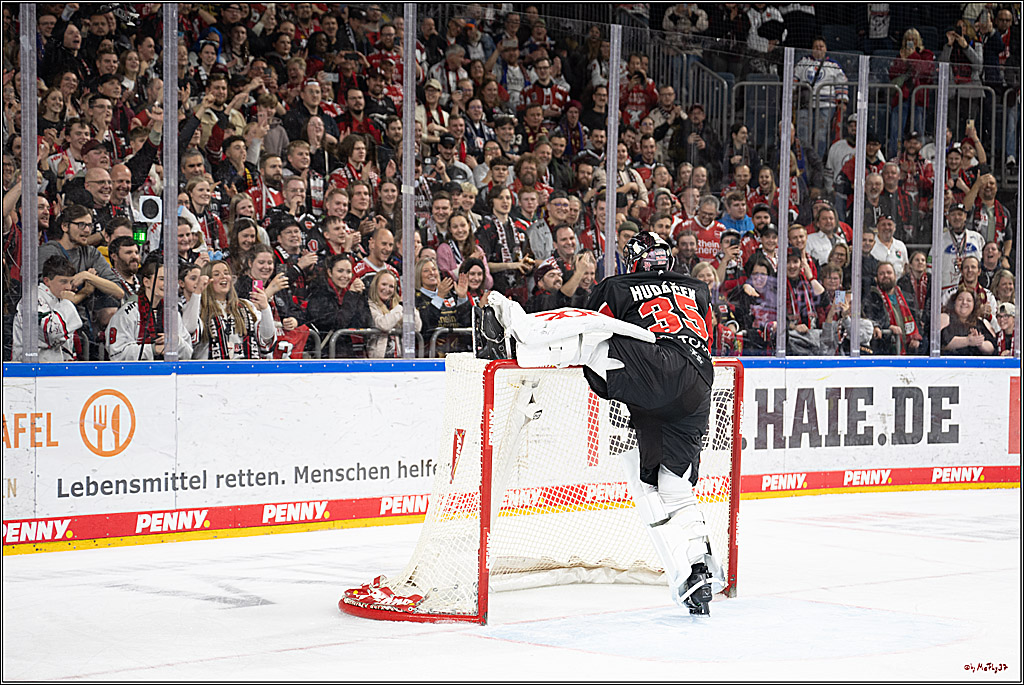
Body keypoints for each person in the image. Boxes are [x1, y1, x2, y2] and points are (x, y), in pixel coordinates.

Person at [106, 260, 195, 361]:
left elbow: (188, 353)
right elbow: (117, 353)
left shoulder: (172, 312)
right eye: (162, 279)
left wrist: (177, 342)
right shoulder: (128, 312)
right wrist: (154, 349)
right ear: (146, 282)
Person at [194, 260, 276, 360]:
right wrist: (197, 293)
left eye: (226, 273)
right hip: (211, 368)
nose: (223, 276)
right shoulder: (199, 308)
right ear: (206, 280)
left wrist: (265, 308)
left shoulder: (246, 306)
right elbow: (190, 334)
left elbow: (266, 338)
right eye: (216, 274)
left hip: (247, 367)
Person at [11, 256, 84, 362]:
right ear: (47, 281)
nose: (69, 287)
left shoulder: (59, 299)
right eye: (63, 282)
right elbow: (51, 334)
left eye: (70, 282)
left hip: (56, 367)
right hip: (30, 367)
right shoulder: (32, 299)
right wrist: (67, 303)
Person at [366, 270, 421, 358]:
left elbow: (416, 327)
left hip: (399, 358)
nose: (387, 289)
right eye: (384, 284)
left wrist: (410, 306)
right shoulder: (370, 305)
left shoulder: (397, 307)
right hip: (378, 360)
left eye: (391, 286)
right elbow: (384, 325)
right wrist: (400, 307)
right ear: (375, 285)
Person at [940, 287, 996, 356]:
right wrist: (967, 341)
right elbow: (941, 343)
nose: (964, 302)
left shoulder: (980, 322)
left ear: (974, 305)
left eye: (969, 300)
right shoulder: (945, 319)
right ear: (954, 303)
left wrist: (979, 342)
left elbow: (992, 348)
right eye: (960, 299)